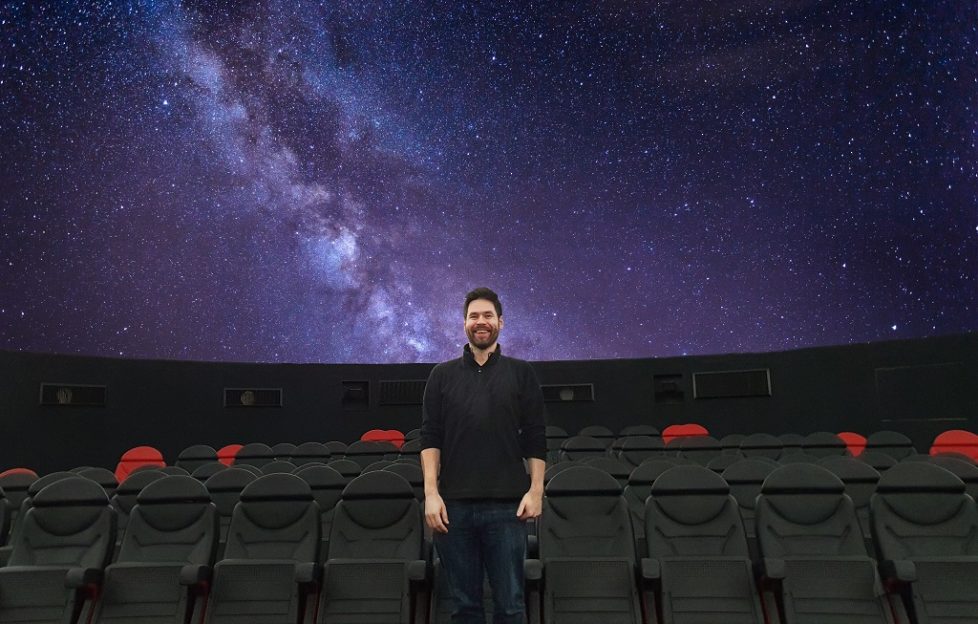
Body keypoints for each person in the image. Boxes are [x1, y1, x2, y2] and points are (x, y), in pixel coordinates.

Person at [420, 287, 547, 624]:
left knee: (510, 607)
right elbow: (430, 437)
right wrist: (431, 494)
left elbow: (535, 437)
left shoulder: (522, 373)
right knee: (464, 609)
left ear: (500, 322)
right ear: (464, 323)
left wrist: (536, 490)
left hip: (507, 509)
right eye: (474, 316)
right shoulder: (441, 375)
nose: (481, 321)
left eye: (488, 315)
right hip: (453, 510)